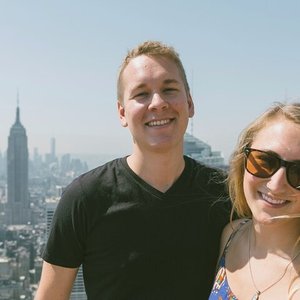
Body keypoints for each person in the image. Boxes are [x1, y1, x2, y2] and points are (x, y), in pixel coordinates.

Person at [35, 40, 231, 300]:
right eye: (141, 94)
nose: (158, 103)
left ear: (190, 103)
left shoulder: (225, 194)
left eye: (169, 89)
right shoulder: (84, 198)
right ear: (122, 113)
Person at [209, 102, 300, 299]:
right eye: (265, 161)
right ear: (243, 163)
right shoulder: (231, 235)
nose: (276, 184)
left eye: (298, 172)